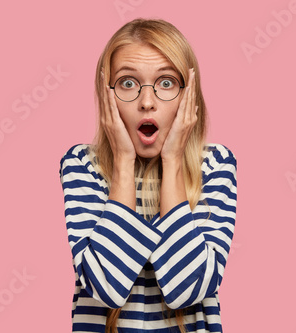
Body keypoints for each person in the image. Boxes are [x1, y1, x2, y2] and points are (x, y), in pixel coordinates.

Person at [59, 18, 237, 333]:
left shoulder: (216, 165)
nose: (147, 102)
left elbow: (187, 290)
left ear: (188, 95)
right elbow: (107, 288)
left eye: (166, 83)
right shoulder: (82, 164)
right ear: (107, 94)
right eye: (128, 83)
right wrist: (124, 162)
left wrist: (173, 160)